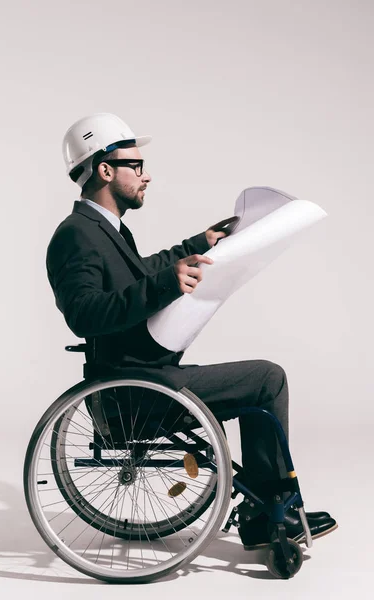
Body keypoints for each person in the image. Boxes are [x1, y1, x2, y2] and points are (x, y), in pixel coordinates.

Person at [46, 113, 337, 549]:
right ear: (105, 170)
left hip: (142, 375)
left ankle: (268, 510)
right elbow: (84, 313)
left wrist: (199, 244)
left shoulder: (103, 231)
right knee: (266, 378)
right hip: (135, 389)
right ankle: (270, 513)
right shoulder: (75, 235)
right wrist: (167, 281)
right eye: (136, 166)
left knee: (261, 382)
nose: (147, 176)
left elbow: (139, 274)